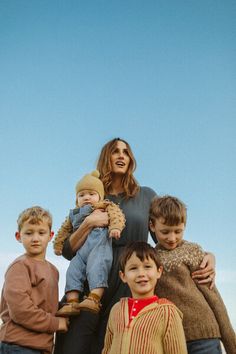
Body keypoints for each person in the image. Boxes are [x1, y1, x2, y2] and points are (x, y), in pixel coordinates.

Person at [54, 137, 216, 354]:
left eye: (126, 152)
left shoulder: (146, 195)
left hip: (127, 278)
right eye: (115, 151)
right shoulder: (92, 195)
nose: (122, 155)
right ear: (105, 158)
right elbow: (67, 250)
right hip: (90, 280)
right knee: (74, 346)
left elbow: (167, 233)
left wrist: (206, 255)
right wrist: (89, 224)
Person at [149, 195, 236, 354]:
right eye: (165, 231)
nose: (172, 238)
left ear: (185, 226)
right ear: (152, 226)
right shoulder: (150, 259)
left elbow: (213, 296)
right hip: (171, 340)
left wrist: (231, 344)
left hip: (205, 337)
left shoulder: (192, 251)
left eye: (178, 231)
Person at [54, 170, 125, 316]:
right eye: (82, 195)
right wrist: (58, 245)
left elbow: (117, 215)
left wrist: (116, 227)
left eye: (91, 194)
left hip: (99, 246)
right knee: (73, 270)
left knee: (97, 266)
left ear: (100, 196)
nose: (86, 198)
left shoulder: (105, 206)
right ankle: (72, 302)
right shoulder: (73, 214)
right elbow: (63, 230)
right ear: (76, 199)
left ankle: (94, 298)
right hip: (80, 251)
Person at [0, 206, 69, 354]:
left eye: (41, 233)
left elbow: (47, 306)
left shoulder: (53, 270)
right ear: (19, 236)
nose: (35, 238)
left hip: (42, 347)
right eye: (29, 233)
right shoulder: (20, 266)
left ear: (50, 235)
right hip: (18, 345)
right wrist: (56, 323)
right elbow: (21, 310)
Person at [102, 241, 188, 354]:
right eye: (133, 268)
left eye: (147, 267)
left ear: (159, 271)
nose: (141, 273)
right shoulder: (116, 310)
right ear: (123, 276)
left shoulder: (168, 312)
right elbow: (107, 349)